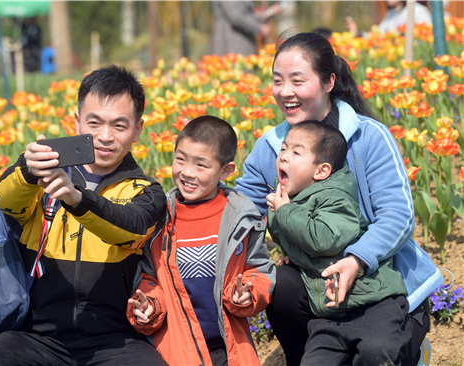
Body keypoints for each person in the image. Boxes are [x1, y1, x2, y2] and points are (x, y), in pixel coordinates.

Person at [235, 32, 443, 366]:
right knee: (283, 284)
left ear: (329, 81)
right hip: (320, 291)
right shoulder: (271, 149)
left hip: (384, 285)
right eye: (277, 81)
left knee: (377, 351)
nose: (285, 92)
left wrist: (357, 260)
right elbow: (240, 214)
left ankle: (412, 350)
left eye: (297, 80)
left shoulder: (369, 136)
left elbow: (398, 215)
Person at [0, 65, 168, 366]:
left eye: (119, 126)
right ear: (76, 122)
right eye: (94, 123)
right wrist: (27, 168)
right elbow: (5, 203)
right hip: (35, 338)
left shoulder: (147, 191)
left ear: (138, 130)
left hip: (116, 341)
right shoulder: (41, 177)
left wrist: (76, 198)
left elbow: (130, 228)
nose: (105, 136)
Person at [126, 115, 276, 366]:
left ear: (227, 170)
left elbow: (259, 270)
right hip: (177, 350)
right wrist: (148, 306)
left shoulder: (240, 217)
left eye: (201, 165)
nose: (187, 172)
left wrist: (247, 293)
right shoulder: (159, 218)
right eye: (180, 160)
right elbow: (149, 278)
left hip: (229, 347)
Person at [266, 120, 408, 364]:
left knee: (376, 352)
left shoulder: (335, 197)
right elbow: (292, 236)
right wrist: (293, 253)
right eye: (283, 149)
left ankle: (413, 353)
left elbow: (324, 240)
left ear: (321, 171)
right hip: (329, 314)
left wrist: (284, 212)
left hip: (372, 303)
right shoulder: (290, 199)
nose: (284, 158)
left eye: (296, 152)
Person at [212, 1, 282, 56]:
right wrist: (260, 28)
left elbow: (245, 15)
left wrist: (268, 12)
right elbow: (236, 17)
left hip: (240, 46)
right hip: (233, 46)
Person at [345, 1, 432, 37]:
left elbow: (427, 38)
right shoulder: (391, 14)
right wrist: (357, 33)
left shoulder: (418, 11)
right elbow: (377, 35)